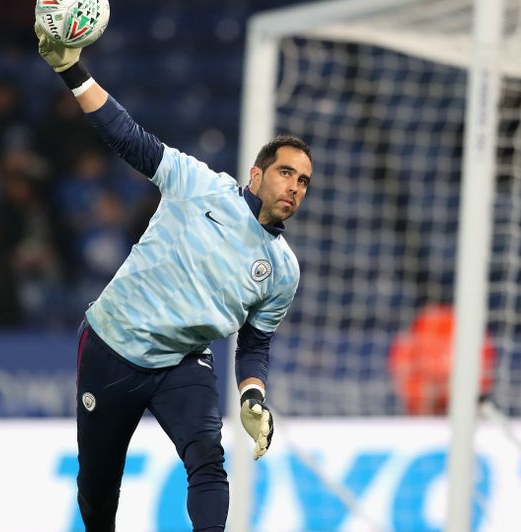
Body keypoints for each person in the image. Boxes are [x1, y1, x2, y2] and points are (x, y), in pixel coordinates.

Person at [35, 25, 313, 531]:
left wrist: (252, 393)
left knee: (208, 457)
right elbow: (128, 136)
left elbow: (255, 343)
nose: (294, 186)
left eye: (303, 181)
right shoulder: (200, 186)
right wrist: (71, 69)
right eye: (285, 173)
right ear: (256, 175)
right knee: (98, 489)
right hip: (112, 348)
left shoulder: (284, 270)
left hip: (182, 363)